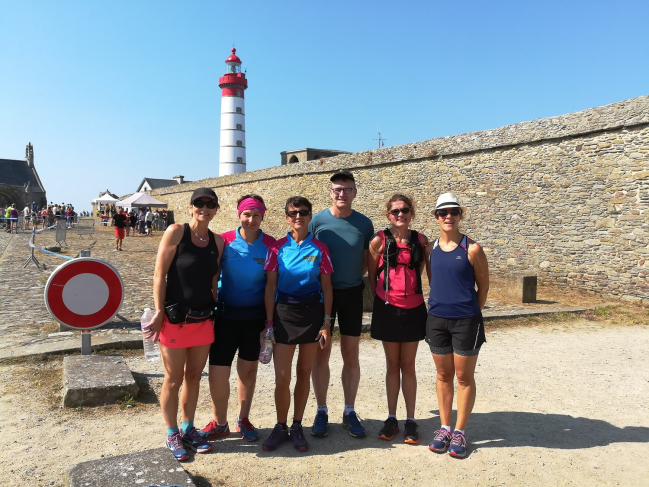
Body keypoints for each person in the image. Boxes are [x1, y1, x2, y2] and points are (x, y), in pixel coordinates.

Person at [144, 187, 223, 462]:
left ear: (216, 209)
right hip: (175, 320)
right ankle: (172, 432)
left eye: (209, 204)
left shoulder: (218, 242)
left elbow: (214, 280)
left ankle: (189, 428)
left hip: (202, 320)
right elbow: (159, 275)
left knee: (193, 377)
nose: (204, 207)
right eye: (199, 203)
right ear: (191, 207)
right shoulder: (176, 232)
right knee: (173, 378)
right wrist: (157, 312)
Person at [201, 194, 276, 442]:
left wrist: (268, 322)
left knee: (248, 371)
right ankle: (220, 422)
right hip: (225, 315)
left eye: (256, 215)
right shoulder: (224, 241)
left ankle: (243, 418)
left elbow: (270, 287)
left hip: (253, 316)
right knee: (218, 372)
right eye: (247, 214)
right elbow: (212, 276)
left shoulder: (270, 244)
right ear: (238, 214)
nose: (251, 219)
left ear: (262, 216)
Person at [261, 196, 333, 452]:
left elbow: (327, 286)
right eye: (293, 213)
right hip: (283, 314)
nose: (298, 217)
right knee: (282, 377)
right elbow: (270, 287)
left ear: (310, 216)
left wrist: (327, 322)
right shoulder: (277, 248)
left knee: (304, 373)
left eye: (303, 212)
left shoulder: (321, 249)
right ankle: (280, 426)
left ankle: (297, 425)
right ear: (286, 217)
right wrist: (268, 323)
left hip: (312, 315)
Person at [308, 170, 374, 439]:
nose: (342, 194)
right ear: (330, 192)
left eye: (347, 189)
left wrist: (355, 277)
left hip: (351, 295)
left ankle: (349, 410)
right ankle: (321, 410)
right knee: (321, 354)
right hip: (321, 296)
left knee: (351, 354)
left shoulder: (364, 224)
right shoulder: (316, 221)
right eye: (337, 189)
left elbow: (367, 259)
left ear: (355, 192)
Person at [425, 193, 489, 458]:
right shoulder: (430, 249)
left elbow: (483, 287)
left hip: (465, 320)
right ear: (437, 217)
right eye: (443, 212)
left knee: (463, 377)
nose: (448, 216)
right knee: (442, 376)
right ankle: (444, 428)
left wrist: (470, 311)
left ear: (461, 215)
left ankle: (460, 433)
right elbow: (432, 280)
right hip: (437, 319)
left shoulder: (472, 248)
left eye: (453, 211)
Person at [368, 194, 429, 445]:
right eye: (395, 211)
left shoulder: (421, 241)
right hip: (388, 308)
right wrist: (383, 299)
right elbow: (372, 276)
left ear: (412, 213)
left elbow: (421, 271)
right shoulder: (378, 241)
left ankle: (411, 419)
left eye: (404, 210)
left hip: (413, 308)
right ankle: (392, 417)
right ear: (388, 215)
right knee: (392, 365)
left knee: (409, 365)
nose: (400, 214)